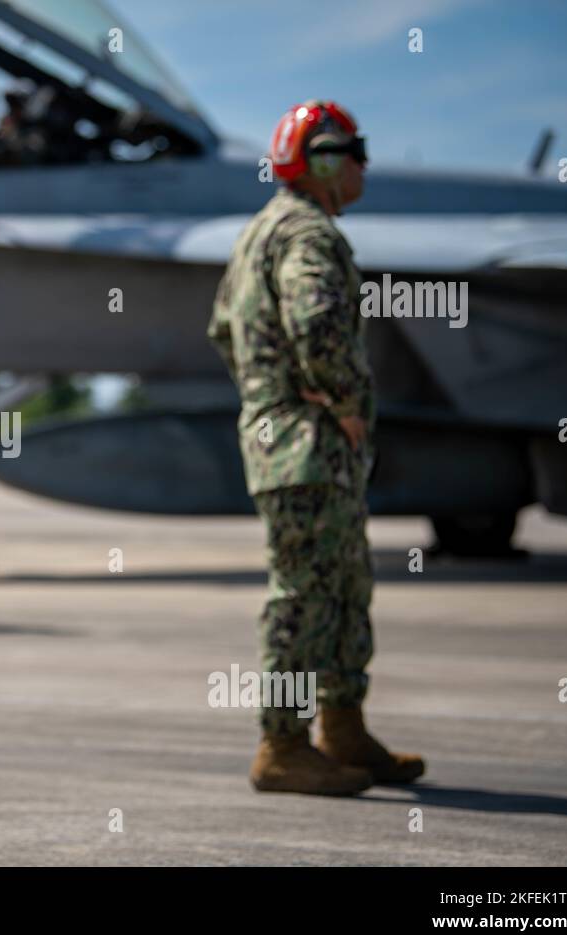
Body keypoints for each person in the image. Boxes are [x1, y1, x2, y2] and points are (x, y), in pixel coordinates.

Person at [207, 101, 424, 796]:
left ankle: (343, 729)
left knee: (341, 585)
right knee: (306, 593)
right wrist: (347, 401)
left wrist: (266, 393)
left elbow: (222, 330)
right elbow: (318, 321)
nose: (363, 163)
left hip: (289, 443)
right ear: (324, 161)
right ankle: (282, 744)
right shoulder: (307, 233)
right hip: (309, 445)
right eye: (353, 149)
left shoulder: (256, 234)